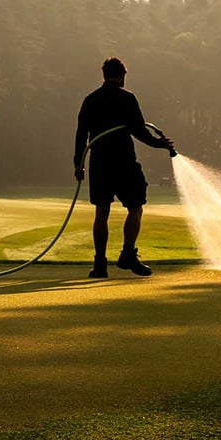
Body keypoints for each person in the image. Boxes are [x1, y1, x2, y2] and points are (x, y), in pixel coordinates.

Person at [73, 57, 174, 278]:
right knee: (136, 207)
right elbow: (139, 130)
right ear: (123, 75)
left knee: (102, 212)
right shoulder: (127, 98)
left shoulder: (91, 100)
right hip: (124, 161)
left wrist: (78, 164)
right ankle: (128, 254)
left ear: (104, 74)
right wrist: (160, 144)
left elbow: (81, 135)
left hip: (98, 162)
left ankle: (100, 265)